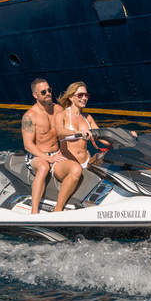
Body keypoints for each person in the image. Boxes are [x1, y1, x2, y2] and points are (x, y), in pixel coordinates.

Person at [20, 78, 84, 214]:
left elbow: (66, 133)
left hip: (57, 154)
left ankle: (58, 210)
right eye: (43, 92)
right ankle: (34, 213)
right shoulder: (29, 116)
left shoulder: (58, 109)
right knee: (43, 168)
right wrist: (48, 159)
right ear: (35, 95)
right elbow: (28, 145)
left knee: (76, 169)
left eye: (49, 90)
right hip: (38, 156)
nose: (48, 93)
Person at [55, 81, 101, 168]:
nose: (84, 98)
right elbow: (60, 132)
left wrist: (125, 135)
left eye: (86, 95)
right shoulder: (62, 115)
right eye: (80, 95)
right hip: (66, 161)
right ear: (71, 97)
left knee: (105, 158)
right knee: (76, 169)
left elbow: (102, 136)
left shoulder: (88, 118)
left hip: (86, 161)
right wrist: (77, 132)